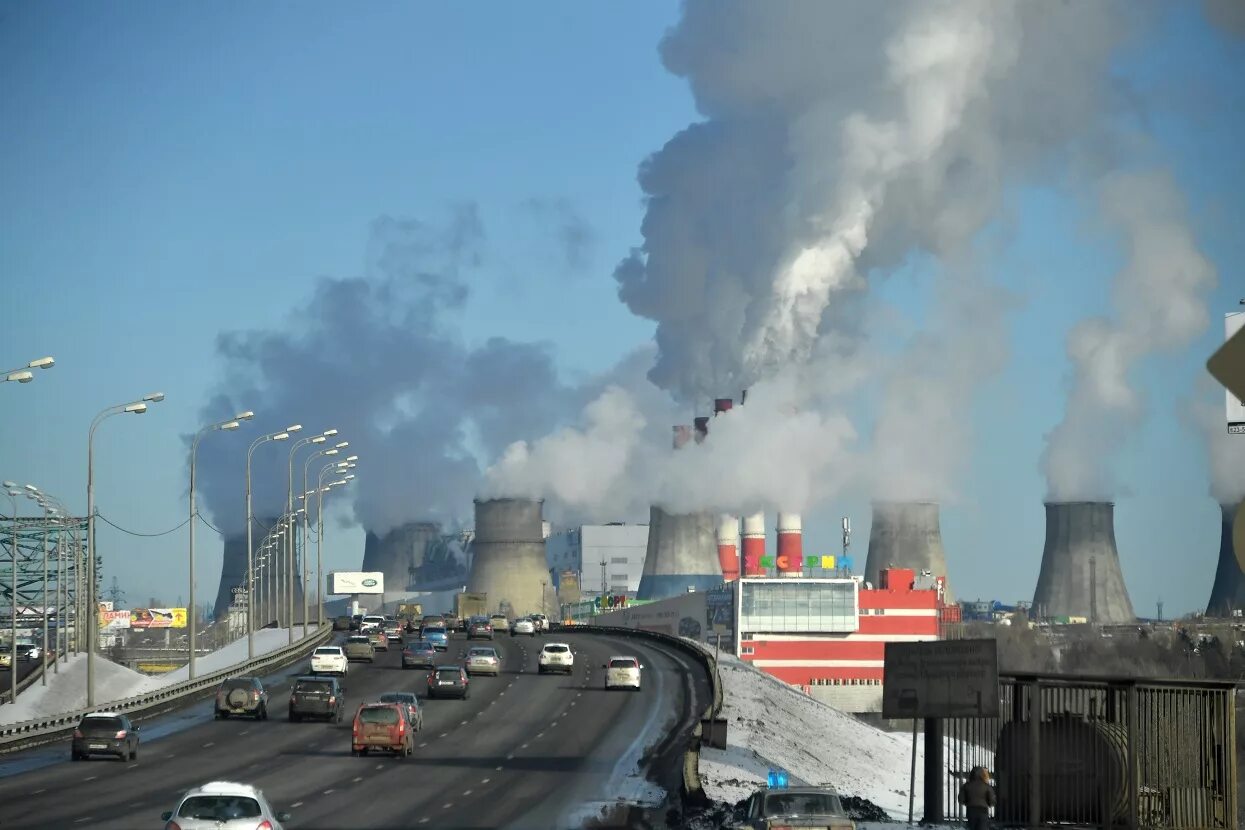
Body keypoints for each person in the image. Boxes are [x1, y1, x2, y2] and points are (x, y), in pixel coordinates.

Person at [959, 766, 996, 830]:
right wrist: (989, 804)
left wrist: (967, 802)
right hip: (983, 810)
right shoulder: (987, 786)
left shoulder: (966, 785)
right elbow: (992, 800)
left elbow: (961, 799)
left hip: (971, 810)